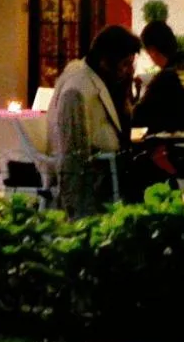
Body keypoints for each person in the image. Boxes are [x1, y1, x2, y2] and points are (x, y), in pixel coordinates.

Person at [47, 25, 142, 217]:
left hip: (110, 166)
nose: (128, 70)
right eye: (125, 64)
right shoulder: (77, 90)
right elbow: (72, 158)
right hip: (97, 175)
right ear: (105, 61)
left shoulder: (101, 80)